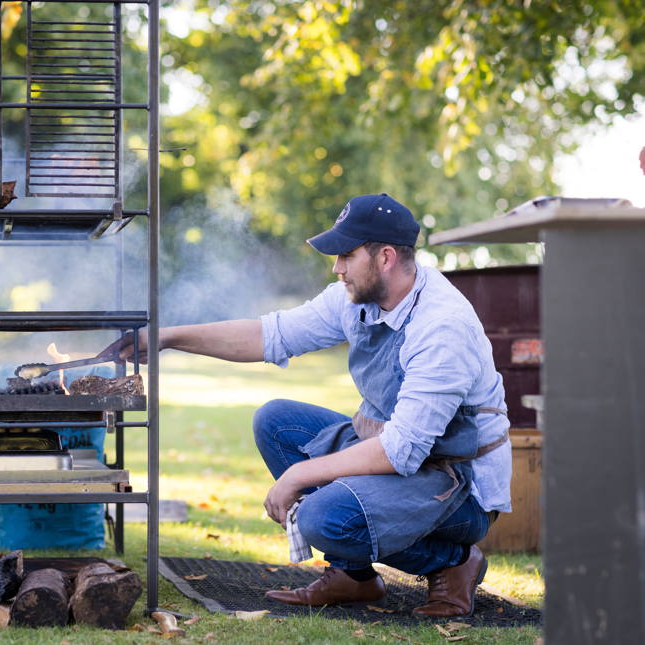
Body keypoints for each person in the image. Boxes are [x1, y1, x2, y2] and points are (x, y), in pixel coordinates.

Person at [103, 193, 511, 617]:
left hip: (457, 486)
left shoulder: (442, 327)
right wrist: (167, 338)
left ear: (385, 257)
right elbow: (270, 335)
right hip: (401, 457)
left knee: (323, 519)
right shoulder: (355, 298)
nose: (337, 268)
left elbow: (401, 450)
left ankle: (454, 563)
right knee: (276, 422)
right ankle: (354, 577)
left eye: (346, 256)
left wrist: (299, 474)